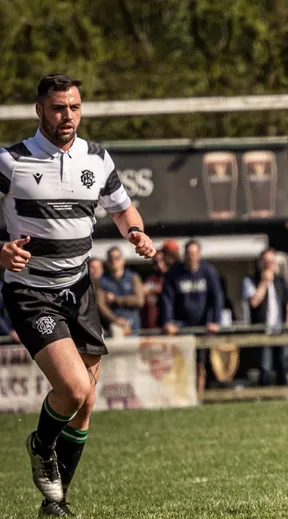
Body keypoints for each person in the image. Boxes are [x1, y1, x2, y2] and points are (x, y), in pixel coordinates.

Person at [0, 74, 155, 517]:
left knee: (86, 402)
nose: (66, 116)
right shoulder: (11, 161)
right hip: (31, 292)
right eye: (57, 108)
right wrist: (1, 250)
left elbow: (123, 209)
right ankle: (40, 443)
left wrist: (137, 233)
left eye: (74, 107)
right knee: (72, 387)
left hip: (79, 289)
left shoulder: (97, 158)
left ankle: (56, 503)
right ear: (39, 111)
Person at [160, 240, 223, 392]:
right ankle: (182, 395)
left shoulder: (208, 271)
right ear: (184, 254)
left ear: (199, 255)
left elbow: (217, 297)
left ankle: (198, 395)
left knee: (200, 363)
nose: (192, 256)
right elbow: (167, 298)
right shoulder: (175, 272)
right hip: (181, 325)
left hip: (202, 325)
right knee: (180, 362)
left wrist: (215, 321)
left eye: (195, 253)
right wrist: (168, 321)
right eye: (189, 253)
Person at [244, 248, 288, 386]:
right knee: (265, 365)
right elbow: (254, 302)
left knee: (284, 363)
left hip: (281, 329)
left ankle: (285, 394)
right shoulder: (250, 280)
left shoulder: (281, 281)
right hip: (263, 330)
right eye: (266, 262)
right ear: (260, 263)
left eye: (272, 262)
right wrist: (264, 282)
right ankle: (265, 395)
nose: (269, 265)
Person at [97, 247, 144, 333]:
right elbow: (101, 306)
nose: (114, 261)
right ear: (107, 262)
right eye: (111, 258)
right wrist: (116, 320)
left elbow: (139, 300)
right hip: (113, 328)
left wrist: (115, 299)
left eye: (117, 258)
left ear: (123, 260)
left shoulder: (133, 277)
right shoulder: (101, 281)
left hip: (134, 326)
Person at [142, 251, 168, 330]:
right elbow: (142, 290)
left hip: (170, 325)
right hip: (153, 326)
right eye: (156, 262)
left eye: (162, 260)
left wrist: (159, 289)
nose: (160, 265)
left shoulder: (174, 277)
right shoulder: (150, 280)